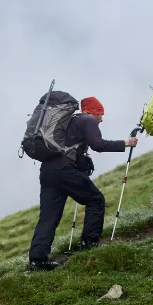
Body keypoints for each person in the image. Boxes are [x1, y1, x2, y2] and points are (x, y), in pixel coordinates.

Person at [27, 97, 137, 270]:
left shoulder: (70, 120)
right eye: (101, 115)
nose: (101, 120)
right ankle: (90, 245)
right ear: (94, 112)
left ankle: (37, 260)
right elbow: (98, 144)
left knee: (49, 216)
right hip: (65, 171)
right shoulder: (87, 120)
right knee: (96, 200)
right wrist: (126, 143)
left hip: (48, 171)